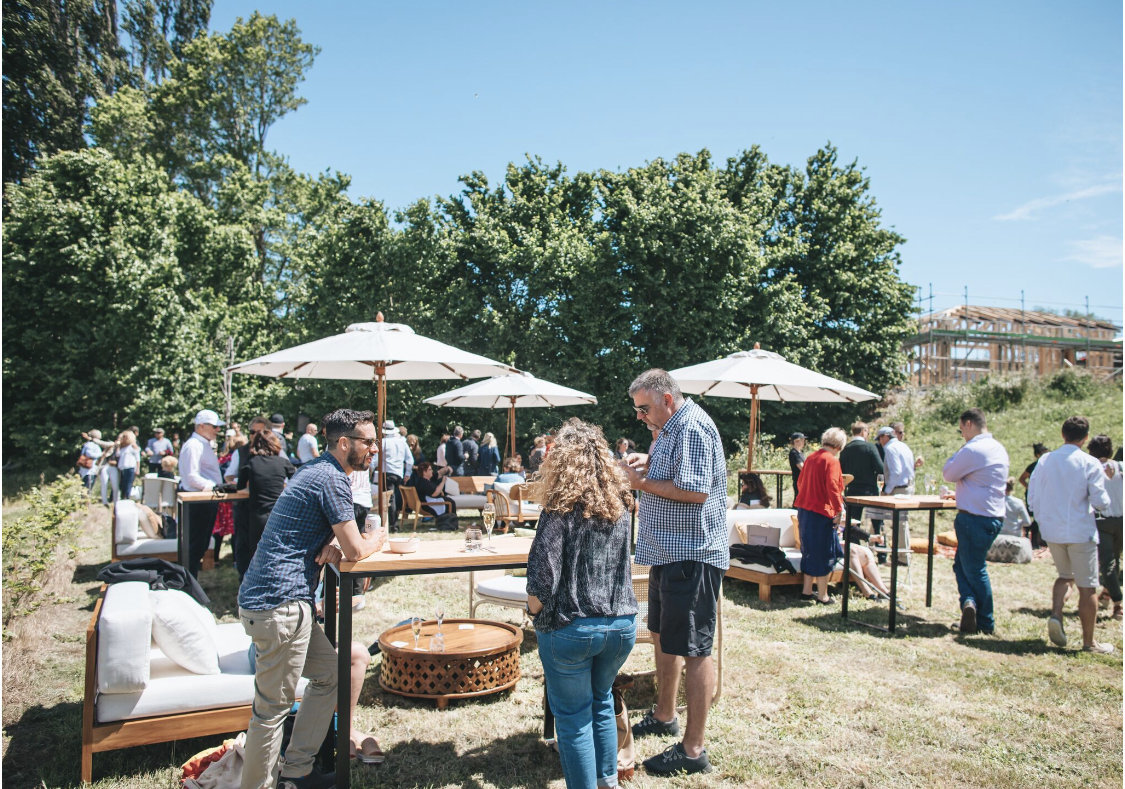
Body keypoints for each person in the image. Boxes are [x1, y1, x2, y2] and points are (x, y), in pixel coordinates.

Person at [237, 408, 387, 789]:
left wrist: (334, 542)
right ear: (344, 443)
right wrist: (376, 538)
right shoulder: (333, 479)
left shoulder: (315, 470)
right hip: (280, 605)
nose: (375, 449)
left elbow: (326, 536)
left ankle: (297, 772)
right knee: (271, 711)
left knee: (333, 675)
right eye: (369, 442)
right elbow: (356, 549)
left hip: (274, 602)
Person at [621, 369, 725, 777]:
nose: (640, 416)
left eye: (644, 408)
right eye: (637, 410)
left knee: (695, 649)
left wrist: (640, 484)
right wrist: (648, 461)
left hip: (691, 554)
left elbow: (696, 491)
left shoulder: (692, 427)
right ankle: (665, 715)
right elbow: (678, 470)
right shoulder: (671, 426)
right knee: (663, 635)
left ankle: (693, 750)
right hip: (668, 551)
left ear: (667, 399)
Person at [526, 418, 638, 789]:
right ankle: (608, 782)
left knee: (573, 718)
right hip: (621, 624)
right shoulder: (620, 505)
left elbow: (542, 580)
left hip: (572, 625)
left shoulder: (559, 508)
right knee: (601, 701)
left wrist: (533, 613)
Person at [1028, 417, 1112, 654]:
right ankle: (1089, 642)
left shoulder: (1045, 460)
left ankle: (1056, 614)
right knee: (1087, 587)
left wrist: (1041, 517)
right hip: (1080, 530)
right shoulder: (1089, 463)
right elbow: (1100, 501)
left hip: (1052, 530)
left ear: (1062, 434)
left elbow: (1033, 494)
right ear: (1085, 438)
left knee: (1064, 576)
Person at [941, 408, 1009, 636]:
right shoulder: (998, 448)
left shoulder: (972, 449)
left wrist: (960, 451)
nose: (962, 434)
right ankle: (970, 604)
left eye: (961, 430)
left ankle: (984, 619)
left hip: (974, 517)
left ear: (969, 424)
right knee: (963, 565)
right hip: (992, 515)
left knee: (974, 569)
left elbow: (949, 473)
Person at [794, 428, 847, 604]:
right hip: (821, 511)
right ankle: (823, 595)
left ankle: (806, 591)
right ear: (839, 446)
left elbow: (800, 482)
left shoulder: (810, 458)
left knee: (808, 550)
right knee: (824, 551)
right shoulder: (832, 461)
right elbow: (833, 486)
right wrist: (839, 510)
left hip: (804, 509)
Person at [237, 429, 296, 577]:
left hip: (258, 517)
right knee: (280, 557)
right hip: (281, 516)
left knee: (257, 560)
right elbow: (297, 480)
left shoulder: (251, 462)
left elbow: (240, 486)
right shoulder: (283, 462)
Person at [179, 409, 226, 577]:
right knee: (195, 545)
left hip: (204, 499)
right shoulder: (194, 445)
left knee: (201, 544)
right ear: (201, 426)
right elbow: (191, 477)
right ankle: (188, 582)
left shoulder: (201, 444)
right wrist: (215, 486)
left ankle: (190, 580)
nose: (217, 430)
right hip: (197, 501)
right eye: (214, 426)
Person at [1087, 435, 1123, 621]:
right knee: (1115, 561)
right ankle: (1107, 594)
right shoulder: (1121, 466)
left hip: (1102, 520)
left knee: (1107, 564)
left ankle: (1118, 604)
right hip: (1121, 521)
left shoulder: (1091, 469)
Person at [839, 422, 884, 528]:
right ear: (863, 432)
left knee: (853, 524)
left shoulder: (846, 449)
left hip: (852, 490)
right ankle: (877, 537)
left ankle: (853, 538)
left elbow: (841, 470)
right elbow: (880, 468)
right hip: (870, 490)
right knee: (876, 522)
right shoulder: (870, 447)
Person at [1020, 442, 1050, 548]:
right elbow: (1022, 478)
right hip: (1034, 495)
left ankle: (1036, 538)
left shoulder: (1048, 465)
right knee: (1035, 518)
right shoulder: (1033, 466)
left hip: (1043, 494)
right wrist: (1030, 487)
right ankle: (1033, 541)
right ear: (1037, 455)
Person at [115, 430, 141, 503]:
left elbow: (137, 458)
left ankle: (127, 498)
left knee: (128, 484)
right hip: (122, 468)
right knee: (122, 484)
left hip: (130, 467)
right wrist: (118, 446)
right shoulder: (122, 447)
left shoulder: (132, 446)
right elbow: (117, 455)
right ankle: (122, 498)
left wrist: (138, 468)